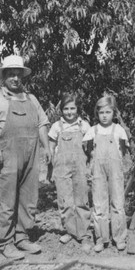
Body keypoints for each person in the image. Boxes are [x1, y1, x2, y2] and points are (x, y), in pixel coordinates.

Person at [0, 55, 51, 260]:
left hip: (31, 155)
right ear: (4, 76)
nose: (16, 78)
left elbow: (42, 124)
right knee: (6, 199)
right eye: (11, 74)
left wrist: (46, 148)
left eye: (19, 74)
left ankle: (22, 236)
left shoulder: (31, 99)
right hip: (7, 155)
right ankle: (6, 242)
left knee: (28, 197)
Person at [82, 95, 129, 253]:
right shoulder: (92, 131)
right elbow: (88, 151)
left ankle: (119, 237)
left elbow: (123, 150)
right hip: (98, 172)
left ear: (113, 113)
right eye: (101, 112)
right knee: (99, 205)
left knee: (117, 203)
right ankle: (101, 238)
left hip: (115, 171)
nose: (104, 115)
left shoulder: (118, 130)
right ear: (97, 113)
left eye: (108, 112)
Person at [48, 92, 91, 252]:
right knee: (65, 201)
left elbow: (91, 147)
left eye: (72, 108)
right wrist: (50, 169)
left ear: (77, 109)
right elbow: (51, 148)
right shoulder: (56, 127)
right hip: (61, 168)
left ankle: (84, 234)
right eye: (66, 109)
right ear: (62, 110)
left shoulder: (84, 126)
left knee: (81, 200)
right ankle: (70, 231)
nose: (69, 112)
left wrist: (89, 164)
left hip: (79, 167)